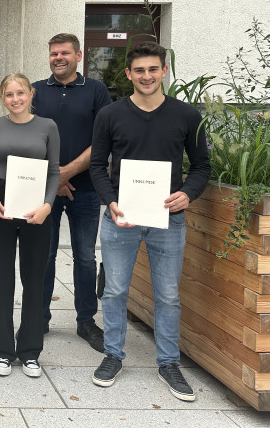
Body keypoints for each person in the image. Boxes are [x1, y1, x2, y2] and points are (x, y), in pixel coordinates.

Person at [89, 41, 210, 401]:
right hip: (119, 218)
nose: (146, 76)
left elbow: (202, 166)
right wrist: (110, 202)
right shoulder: (110, 115)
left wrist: (188, 193)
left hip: (168, 220)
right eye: (139, 70)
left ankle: (168, 363)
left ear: (164, 71)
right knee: (114, 290)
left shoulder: (186, 115)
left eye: (153, 69)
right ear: (128, 74)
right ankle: (113, 354)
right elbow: (97, 166)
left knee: (169, 295)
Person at [32, 33, 111, 352]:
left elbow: (104, 140)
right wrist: (56, 177)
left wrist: (67, 172)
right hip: (44, 191)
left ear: (79, 56)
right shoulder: (36, 90)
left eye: (64, 53)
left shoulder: (96, 90)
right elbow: (28, 133)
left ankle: (86, 321)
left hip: (88, 190)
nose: (58, 58)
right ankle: (39, 318)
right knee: (44, 256)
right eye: (53, 53)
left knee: (84, 257)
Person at [0, 73, 60, 378]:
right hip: (1, 207)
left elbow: (53, 172)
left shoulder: (47, 127)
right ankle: (2, 351)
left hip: (37, 209)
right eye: (9, 94)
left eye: (20, 93)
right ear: (3, 98)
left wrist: (47, 206)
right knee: (1, 280)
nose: (15, 99)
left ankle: (29, 351)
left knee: (34, 280)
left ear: (31, 94)